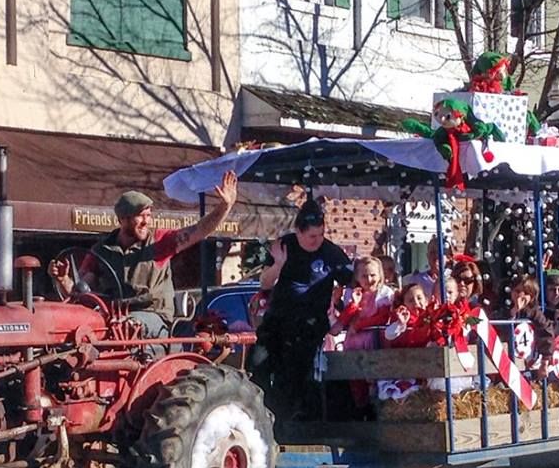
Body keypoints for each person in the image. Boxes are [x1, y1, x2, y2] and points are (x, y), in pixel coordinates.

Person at [48, 171, 238, 342]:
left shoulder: (159, 243)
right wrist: (63, 279)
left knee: (128, 325)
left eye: (148, 215)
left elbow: (199, 230)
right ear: (122, 219)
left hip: (153, 316)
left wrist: (225, 206)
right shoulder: (101, 251)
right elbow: (81, 294)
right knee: (80, 327)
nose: (146, 221)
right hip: (113, 318)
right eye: (140, 216)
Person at [251, 199, 353, 421]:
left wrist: (342, 304)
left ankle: (287, 421)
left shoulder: (331, 252)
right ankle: (260, 414)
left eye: (321, 234)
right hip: (278, 319)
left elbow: (352, 280)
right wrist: (278, 265)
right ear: (298, 231)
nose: (317, 240)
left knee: (293, 372)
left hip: (309, 323)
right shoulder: (283, 245)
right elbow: (265, 283)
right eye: (312, 236)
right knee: (258, 362)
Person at [332, 256, 395, 415]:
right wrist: (353, 305)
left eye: (373, 275)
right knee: (355, 378)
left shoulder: (385, 293)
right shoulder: (353, 294)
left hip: (374, 339)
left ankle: (377, 407)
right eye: (364, 276)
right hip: (354, 341)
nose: (369, 279)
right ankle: (360, 409)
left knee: (375, 376)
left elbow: (382, 317)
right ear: (357, 277)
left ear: (380, 275)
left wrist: (360, 325)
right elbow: (346, 318)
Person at [509, 276, 559, 365]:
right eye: (517, 291)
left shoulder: (535, 313)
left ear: (532, 297)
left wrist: (545, 359)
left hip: (530, 358)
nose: (520, 295)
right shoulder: (504, 309)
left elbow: (546, 331)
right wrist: (514, 312)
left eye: (526, 293)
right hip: (507, 356)